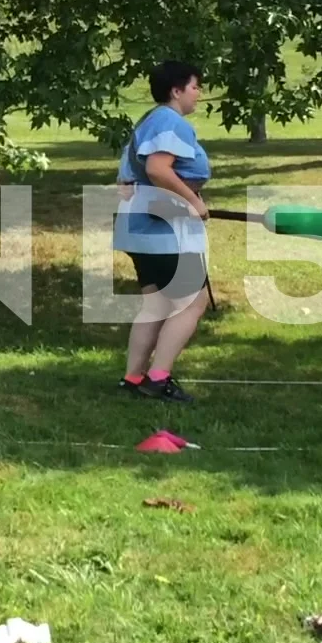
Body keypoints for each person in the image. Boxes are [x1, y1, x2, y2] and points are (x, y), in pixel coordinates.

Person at [112, 60, 211, 404]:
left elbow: (127, 178)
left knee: (155, 305)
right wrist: (193, 202)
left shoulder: (148, 121)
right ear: (176, 90)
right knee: (191, 304)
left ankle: (133, 377)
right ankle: (158, 379)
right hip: (165, 229)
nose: (199, 94)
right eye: (196, 87)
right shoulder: (170, 120)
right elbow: (157, 169)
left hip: (139, 227)